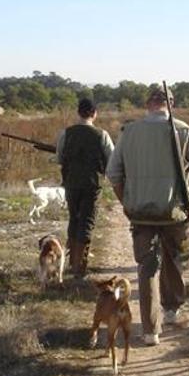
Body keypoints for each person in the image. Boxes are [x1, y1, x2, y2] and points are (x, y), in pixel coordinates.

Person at [106, 85, 189, 346]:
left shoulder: (129, 132)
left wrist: (126, 203)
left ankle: (151, 330)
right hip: (173, 212)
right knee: (173, 258)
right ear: (171, 103)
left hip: (140, 213)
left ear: (147, 104)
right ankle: (172, 309)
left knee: (147, 268)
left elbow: (113, 173)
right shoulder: (182, 129)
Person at [55, 98, 114, 278]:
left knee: (74, 219)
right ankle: (79, 268)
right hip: (92, 184)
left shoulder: (66, 133)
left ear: (78, 112)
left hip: (71, 183)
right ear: (94, 114)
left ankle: (72, 262)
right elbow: (112, 160)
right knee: (86, 222)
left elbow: (59, 158)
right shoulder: (101, 135)